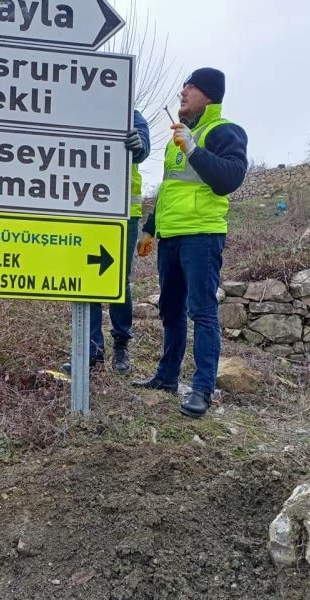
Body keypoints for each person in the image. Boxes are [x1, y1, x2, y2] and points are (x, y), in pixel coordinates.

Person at [133, 68, 247, 418]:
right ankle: (166, 378)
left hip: (201, 236)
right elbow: (170, 190)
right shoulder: (176, 138)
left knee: (202, 312)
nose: (183, 91)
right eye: (183, 85)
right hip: (171, 237)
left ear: (209, 95)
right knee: (170, 310)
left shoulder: (224, 131)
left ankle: (202, 389)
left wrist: (194, 147)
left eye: (192, 87)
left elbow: (229, 179)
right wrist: (150, 229)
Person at [61, 110, 150, 375]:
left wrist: (139, 144)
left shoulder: (132, 115)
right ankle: (92, 351)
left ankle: (121, 344)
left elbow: (142, 148)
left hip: (123, 215)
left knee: (118, 282)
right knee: (88, 280)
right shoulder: (83, 109)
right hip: (87, 211)